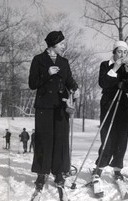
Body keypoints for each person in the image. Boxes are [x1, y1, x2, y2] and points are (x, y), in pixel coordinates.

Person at [28, 30, 79, 191]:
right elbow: (32, 83)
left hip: (61, 106)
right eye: (61, 43)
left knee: (60, 139)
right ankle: (42, 173)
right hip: (44, 106)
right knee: (44, 139)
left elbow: (69, 80)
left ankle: (59, 172)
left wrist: (75, 88)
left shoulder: (64, 62)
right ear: (53, 44)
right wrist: (47, 73)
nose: (64, 46)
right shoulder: (38, 60)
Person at [92, 41, 128, 180]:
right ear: (114, 52)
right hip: (108, 102)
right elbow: (103, 83)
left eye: (125, 52)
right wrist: (115, 68)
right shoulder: (105, 64)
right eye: (119, 52)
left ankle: (117, 168)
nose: (122, 55)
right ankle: (99, 167)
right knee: (107, 136)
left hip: (122, 103)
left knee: (121, 137)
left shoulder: (126, 67)